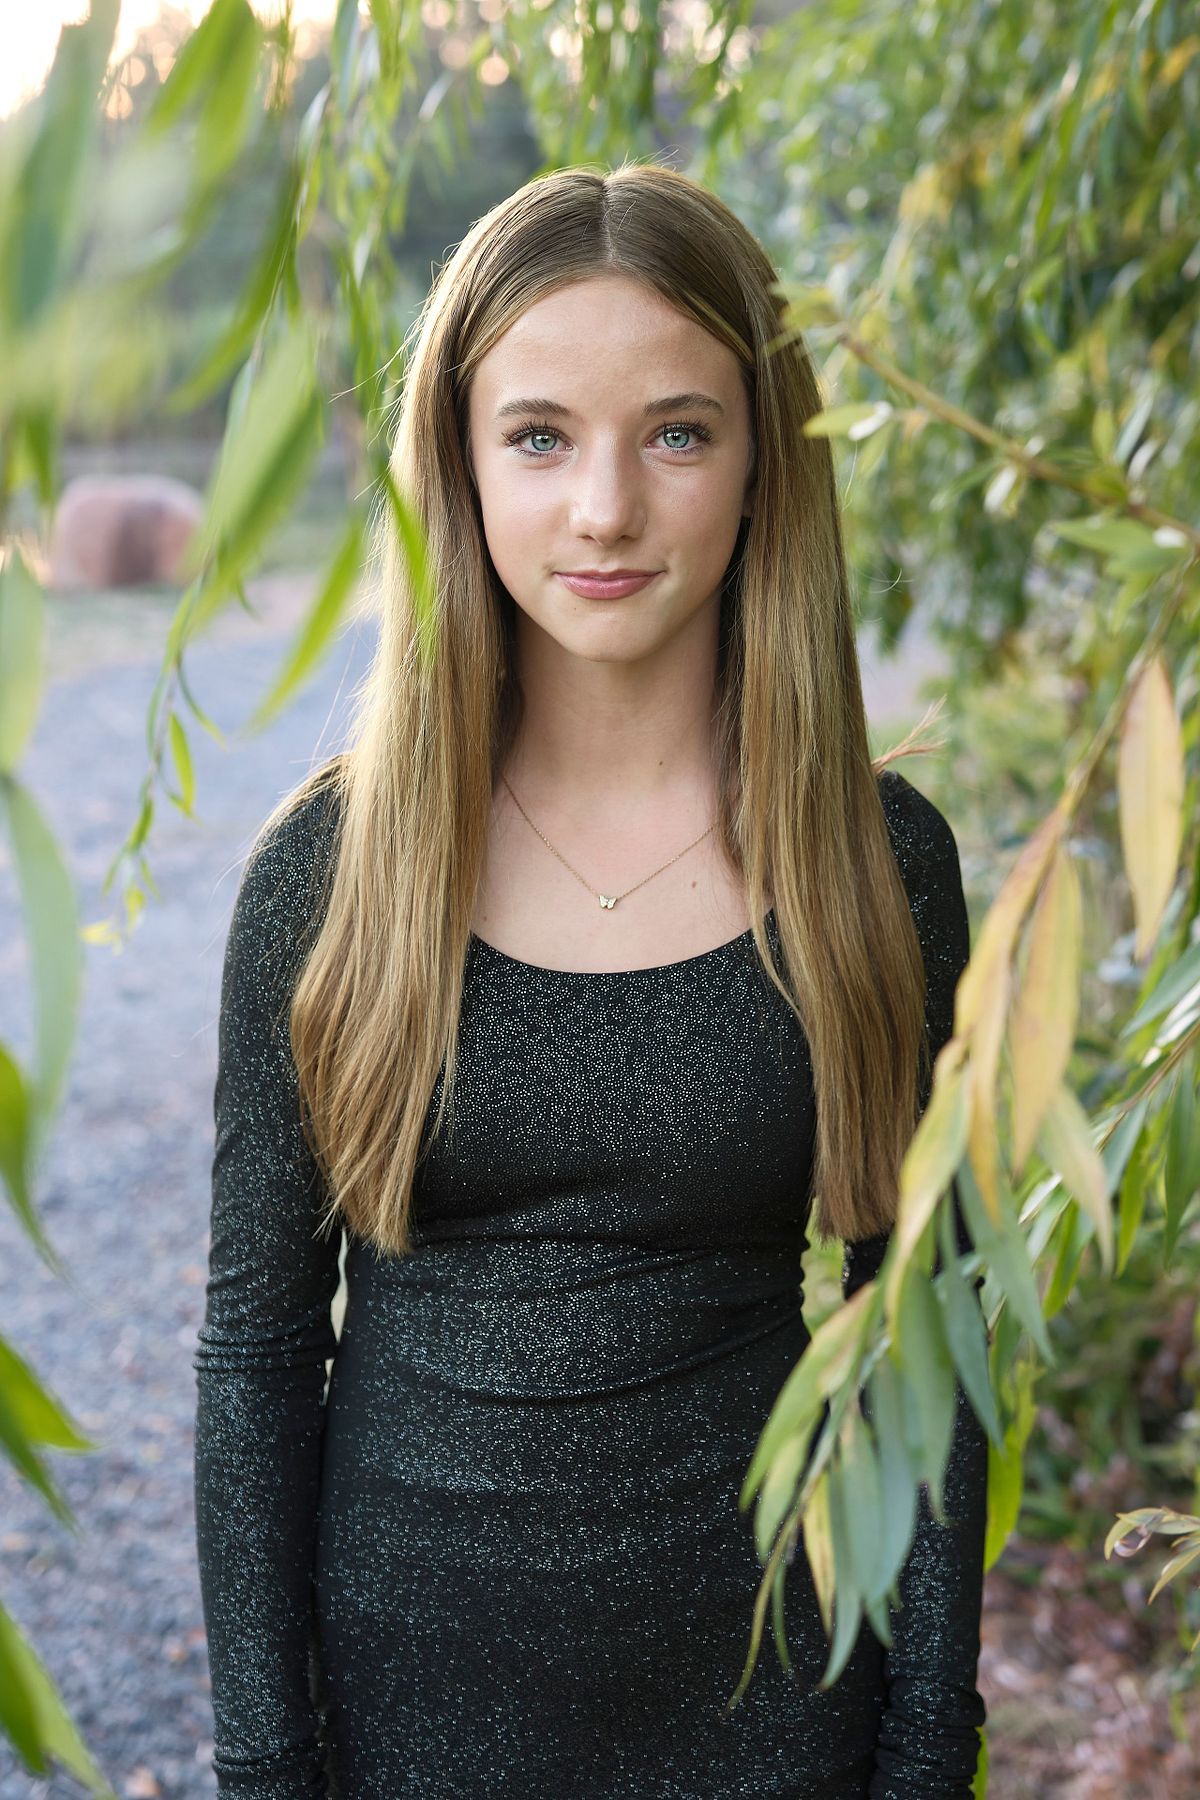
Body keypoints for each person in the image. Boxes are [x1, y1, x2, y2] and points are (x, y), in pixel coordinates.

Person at [192, 160, 988, 1799]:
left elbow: (926, 1336)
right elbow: (259, 1355)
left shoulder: (872, 865)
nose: (607, 509)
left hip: (777, 1715)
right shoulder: (332, 876)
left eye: (677, 433)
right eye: (540, 437)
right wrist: (267, 1769)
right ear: (460, 466)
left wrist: (923, 1753)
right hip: (410, 1724)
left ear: (765, 462)